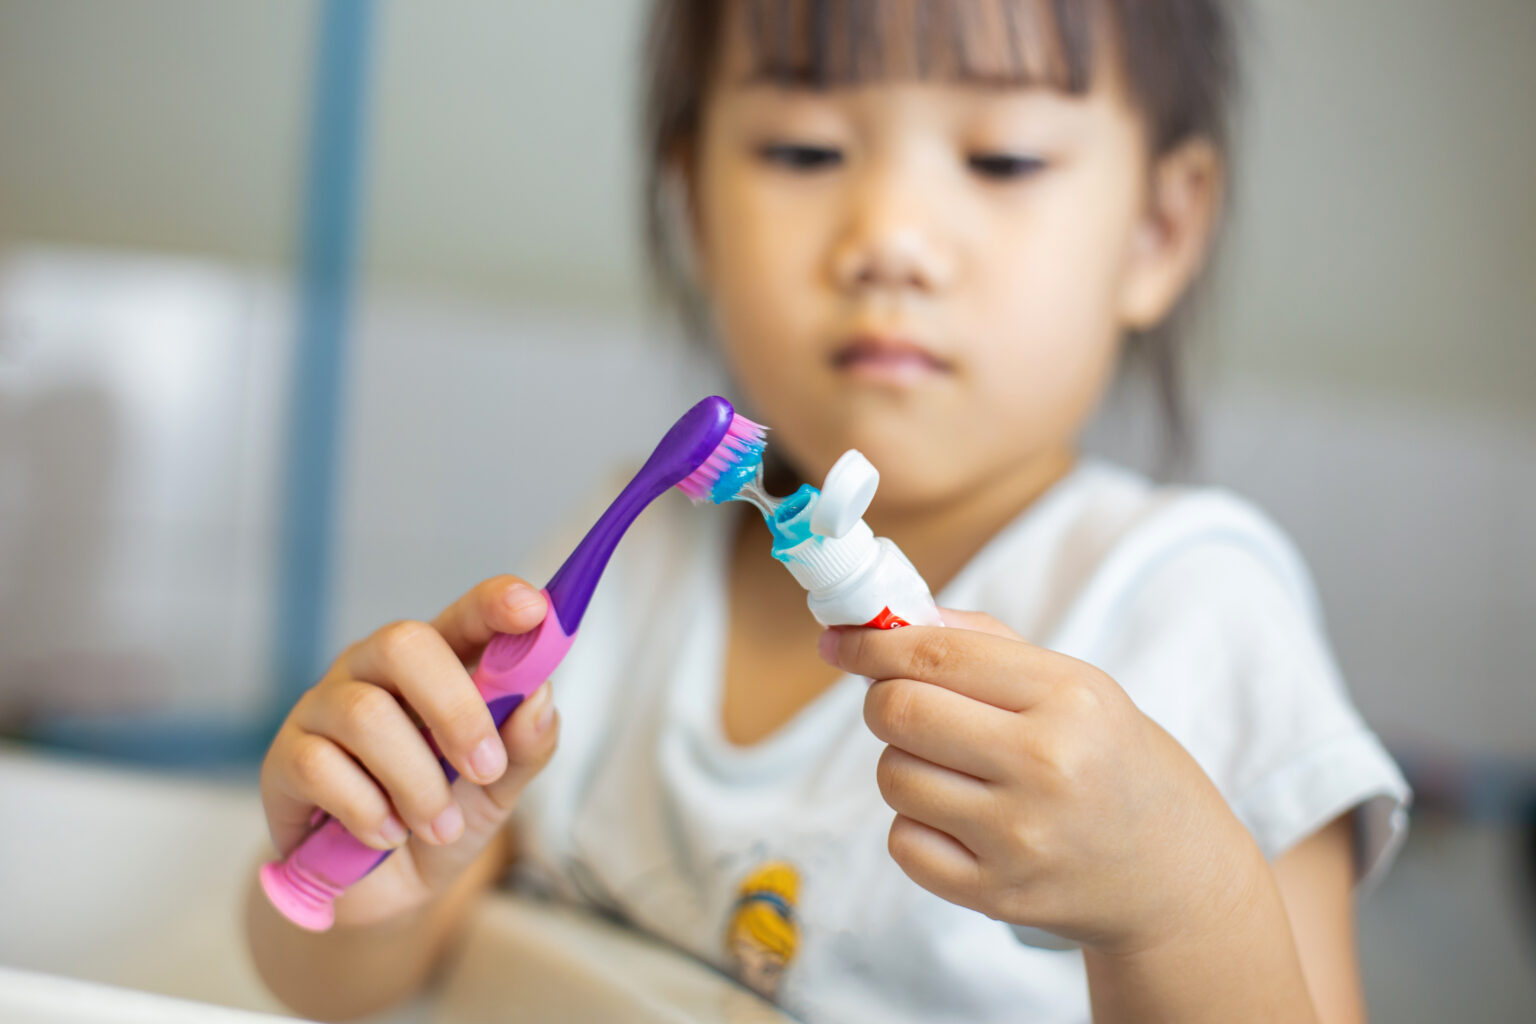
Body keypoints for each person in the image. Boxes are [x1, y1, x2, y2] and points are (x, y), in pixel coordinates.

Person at [247, 2, 1409, 1020]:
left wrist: (1179, 901)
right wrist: (367, 878)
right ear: (692, 198)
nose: (888, 240)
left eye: (1001, 160)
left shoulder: (1193, 613)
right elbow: (332, 988)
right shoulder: (627, 560)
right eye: (804, 150)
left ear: (1158, 231)